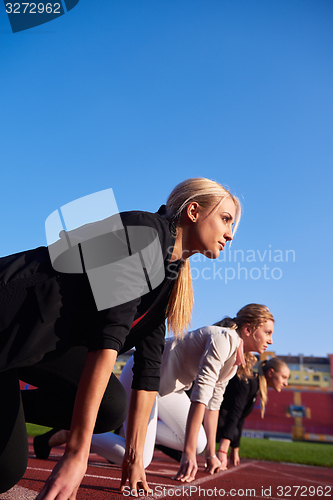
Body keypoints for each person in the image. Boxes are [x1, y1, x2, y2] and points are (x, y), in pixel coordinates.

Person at [0, 178, 241, 498]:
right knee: (6, 470)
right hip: (10, 318)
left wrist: (135, 459)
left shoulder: (170, 277)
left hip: (34, 344)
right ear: (194, 211)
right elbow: (107, 339)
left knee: (111, 407)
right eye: (225, 219)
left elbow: (148, 369)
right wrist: (76, 454)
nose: (231, 234)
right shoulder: (144, 232)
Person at [45, 303, 274, 483]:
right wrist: (187, 454)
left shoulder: (236, 362)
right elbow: (200, 395)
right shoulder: (223, 339)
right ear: (248, 329)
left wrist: (211, 455)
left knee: (200, 443)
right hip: (143, 377)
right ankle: (75, 433)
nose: (270, 340)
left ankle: (140, 434)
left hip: (169, 390)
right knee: (141, 460)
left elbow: (213, 406)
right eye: (267, 332)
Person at [216, 357, 290, 469]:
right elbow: (234, 414)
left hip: (219, 422)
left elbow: (240, 418)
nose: (286, 383)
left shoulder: (255, 385)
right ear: (270, 372)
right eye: (284, 377)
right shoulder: (248, 381)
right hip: (207, 421)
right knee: (186, 451)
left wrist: (235, 449)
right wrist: (222, 451)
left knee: (235, 431)